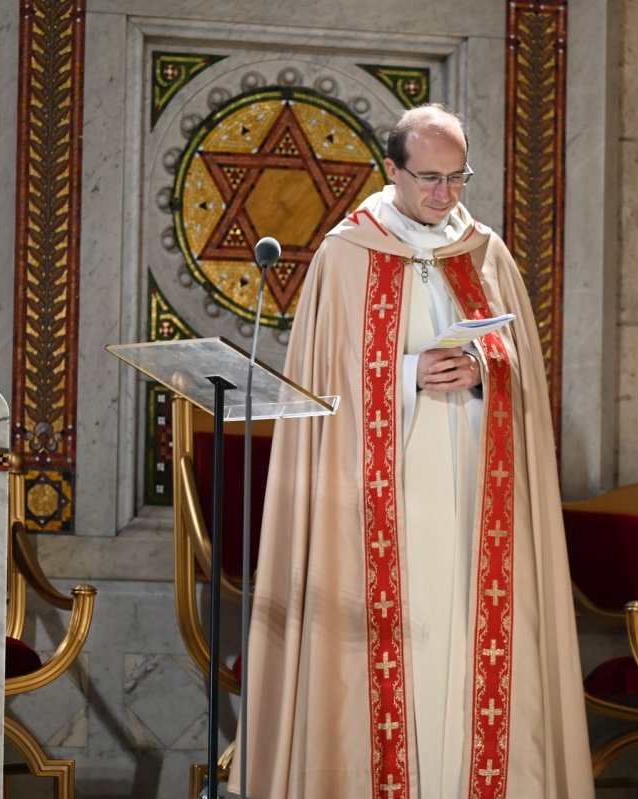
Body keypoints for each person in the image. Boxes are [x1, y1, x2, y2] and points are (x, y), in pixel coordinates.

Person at [231, 104, 593, 798]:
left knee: (469, 656)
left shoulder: (483, 251)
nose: (444, 195)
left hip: (473, 505)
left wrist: (487, 368)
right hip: (380, 508)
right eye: (429, 178)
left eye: (458, 179)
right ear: (391, 170)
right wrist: (405, 374)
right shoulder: (346, 255)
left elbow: (523, 371)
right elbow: (320, 389)